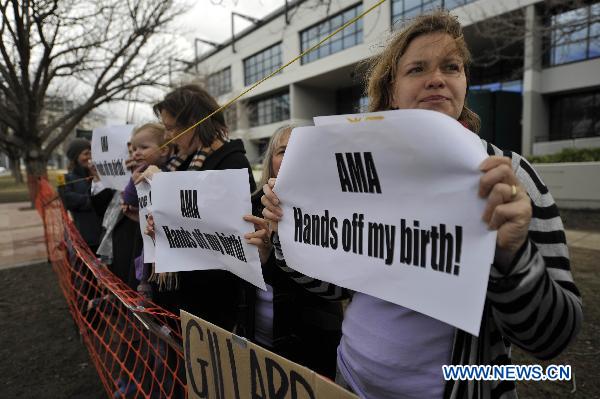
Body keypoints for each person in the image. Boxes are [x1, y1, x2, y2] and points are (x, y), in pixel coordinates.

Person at [260, 11, 582, 398]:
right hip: (350, 382)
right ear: (392, 90)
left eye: (452, 67)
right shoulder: (355, 173)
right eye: (417, 69)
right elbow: (334, 289)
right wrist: (288, 233)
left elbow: (551, 338)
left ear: (464, 82)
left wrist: (514, 256)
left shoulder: (510, 178)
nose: (437, 79)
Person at [146, 83, 256, 331]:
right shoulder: (180, 161)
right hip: (178, 290)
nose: (167, 136)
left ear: (195, 122)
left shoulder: (232, 160)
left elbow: (227, 229)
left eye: (172, 128)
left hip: (213, 296)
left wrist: (162, 187)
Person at [243, 126, 343, 379]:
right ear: (270, 160)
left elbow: (335, 286)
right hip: (257, 337)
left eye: (299, 151)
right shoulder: (250, 204)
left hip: (311, 342)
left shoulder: (335, 208)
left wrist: (276, 250)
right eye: (282, 151)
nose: (289, 158)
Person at [60, 138, 103, 252]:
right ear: (75, 157)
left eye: (91, 153)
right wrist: (94, 201)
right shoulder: (67, 179)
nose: (90, 156)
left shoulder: (99, 175)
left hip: (102, 236)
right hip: (84, 238)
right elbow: (69, 200)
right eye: (86, 153)